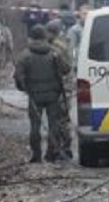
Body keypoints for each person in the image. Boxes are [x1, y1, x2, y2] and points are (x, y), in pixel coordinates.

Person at [14, 23, 70, 163]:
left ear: (31, 38)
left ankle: (36, 155)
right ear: (44, 37)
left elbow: (18, 77)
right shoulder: (54, 53)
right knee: (53, 125)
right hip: (53, 95)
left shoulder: (24, 56)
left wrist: (25, 89)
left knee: (35, 126)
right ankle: (50, 154)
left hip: (34, 96)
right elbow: (66, 69)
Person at [44, 19, 74, 161]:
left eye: (48, 32)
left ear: (52, 33)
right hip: (65, 86)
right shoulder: (63, 43)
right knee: (63, 119)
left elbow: (61, 68)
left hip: (62, 87)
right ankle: (65, 148)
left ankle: (60, 149)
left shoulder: (55, 48)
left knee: (59, 120)